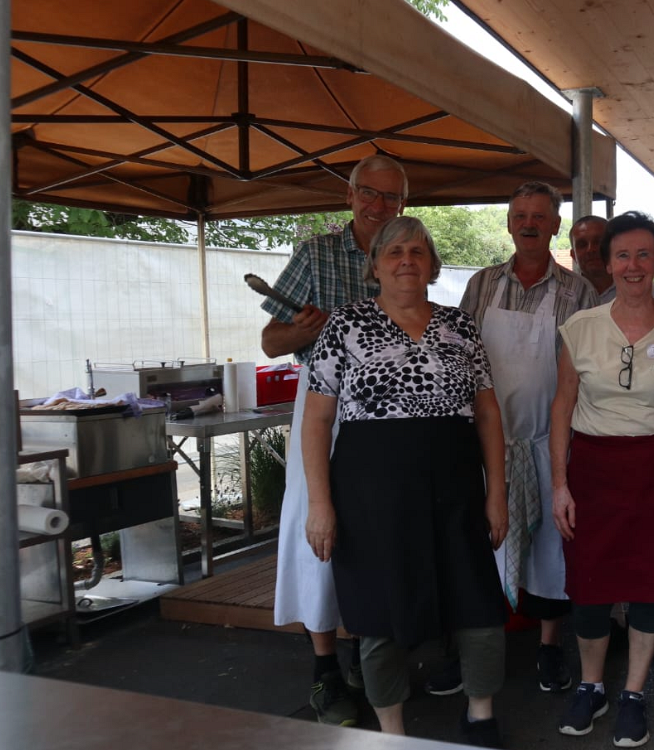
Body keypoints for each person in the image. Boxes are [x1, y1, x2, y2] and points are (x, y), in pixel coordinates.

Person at [301, 216, 509, 748]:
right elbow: (317, 420)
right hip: (372, 495)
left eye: (417, 251)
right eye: (394, 252)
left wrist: (497, 493)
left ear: (432, 264)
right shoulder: (344, 325)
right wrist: (320, 505)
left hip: (456, 488)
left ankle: (480, 716)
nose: (406, 261)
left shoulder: (460, 326)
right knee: (379, 613)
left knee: (478, 603)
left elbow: (488, 414)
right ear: (374, 265)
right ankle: (391, 731)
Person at [549, 212, 654, 747]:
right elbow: (562, 407)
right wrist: (559, 485)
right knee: (589, 588)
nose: (633, 265)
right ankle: (591, 686)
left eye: (644, 254)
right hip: (593, 471)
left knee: (649, 588)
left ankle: (634, 693)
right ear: (607, 262)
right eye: (623, 255)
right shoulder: (580, 328)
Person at [262, 154, 407, 726]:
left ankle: (367, 657)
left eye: (390, 197)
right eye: (369, 192)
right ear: (350, 195)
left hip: (384, 410)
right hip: (323, 406)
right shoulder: (316, 254)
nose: (378, 205)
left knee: (374, 529)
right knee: (315, 526)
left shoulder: (404, 254)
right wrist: (299, 329)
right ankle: (325, 669)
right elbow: (271, 342)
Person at [451, 181, 600, 695]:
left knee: (551, 549)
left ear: (556, 225)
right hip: (485, 442)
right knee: (478, 543)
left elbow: (583, 374)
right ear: (509, 223)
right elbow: (459, 357)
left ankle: (549, 646)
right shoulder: (482, 284)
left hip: (547, 440)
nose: (529, 224)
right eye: (521, 215)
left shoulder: (578, 292)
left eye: (540, 216)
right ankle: (474, 648)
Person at [572, 214, 654, 309]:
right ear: (573, 255)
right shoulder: (566, 292)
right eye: (582, 245)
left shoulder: (653, 293)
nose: (591, 249)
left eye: (598, 242)